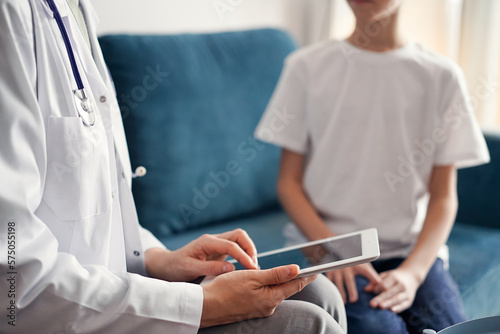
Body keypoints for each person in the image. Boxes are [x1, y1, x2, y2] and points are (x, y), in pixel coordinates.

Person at [0, 0, 347, 333]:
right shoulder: (10, 16)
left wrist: (157, 258)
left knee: (319, 293)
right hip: (62, 315)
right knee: (308, 324)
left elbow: (94, 213)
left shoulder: (75, 11)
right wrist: (202, 305)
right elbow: (14, 287)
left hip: (108, 293)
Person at [255, 0, 490, 333]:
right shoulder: (305, 67)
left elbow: (443, 197)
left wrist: (414, 272)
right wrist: (332, 250)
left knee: (451, 327)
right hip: (331, 250)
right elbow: (288, 184)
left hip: (410, 250)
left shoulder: (442, 76)